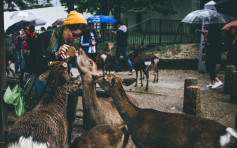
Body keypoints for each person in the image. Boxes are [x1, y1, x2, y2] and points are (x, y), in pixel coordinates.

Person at [24, 10, 87, 110]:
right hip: (37, 93)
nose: (75, 39)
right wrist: (55, 55)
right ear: (66, 27)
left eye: (78, 37)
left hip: (55, 96)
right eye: (74, 35)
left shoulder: (67, 44)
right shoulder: (45, 37)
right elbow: (31, 64)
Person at [197, 24, 223, 89]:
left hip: (211, 52)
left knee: (209, 67)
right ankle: (212, 82)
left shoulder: (212, 33)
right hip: (216, 52)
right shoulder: (217, 32)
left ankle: (218, 80)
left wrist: (205, 36)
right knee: (212, 67)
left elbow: (208, 42)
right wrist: (203, 32)